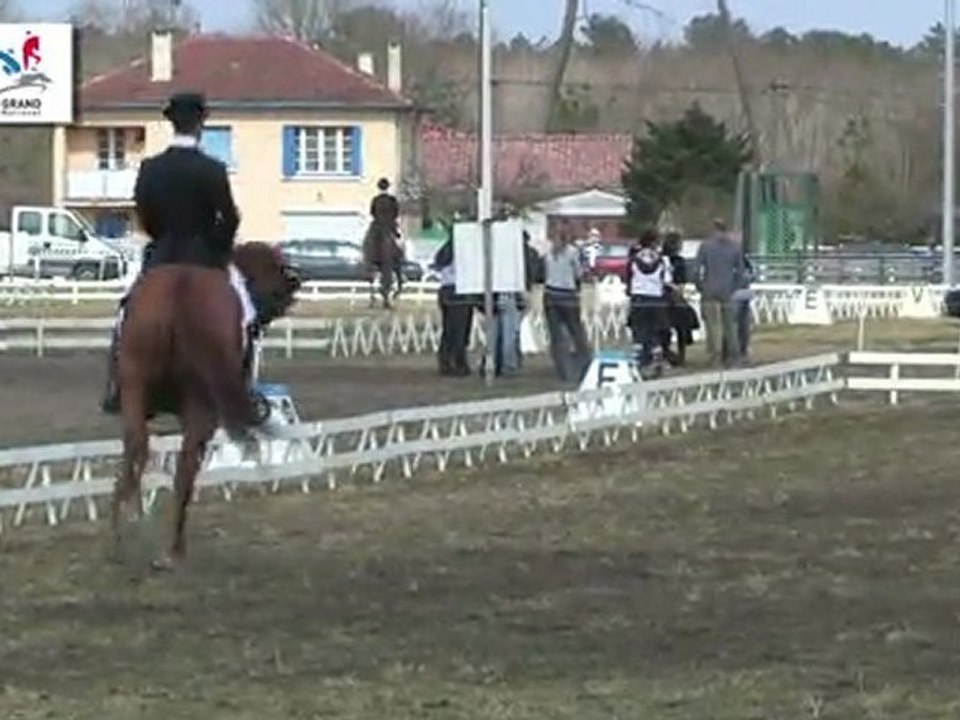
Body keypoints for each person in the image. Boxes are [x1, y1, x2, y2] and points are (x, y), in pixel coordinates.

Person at [100, 91, 241, 413]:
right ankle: (239, 381)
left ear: (171, 124)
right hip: (205, 258)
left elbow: (144, 213)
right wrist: (216, 249)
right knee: (244, 313)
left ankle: (116, 387)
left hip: (161, 256)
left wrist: (160, 239)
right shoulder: (213, 169)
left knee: (125, 313)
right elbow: (230, 217)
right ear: (201, 125)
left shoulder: (151, 168)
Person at [694, 219, 746, 368]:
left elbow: (697, 270)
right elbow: (741, 273)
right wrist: (734, 287)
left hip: (709, 288)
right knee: (730, 325)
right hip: (727, 289)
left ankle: (714, 356)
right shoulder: (734, 248)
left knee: (712, 325)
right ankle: (733, 356)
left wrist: (700, 286)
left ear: (713, 229)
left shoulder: (705, 246)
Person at [542, 231, 592, 383]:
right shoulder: (572, 252)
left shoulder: (548, 254)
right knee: (576, 331)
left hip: (550, 294)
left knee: (557, 336)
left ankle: (563, 370)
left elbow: (544, 273)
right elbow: (578, 273)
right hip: (568, 295)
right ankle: (585, 363)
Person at [624, 229, 672, 378]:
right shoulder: (662, 259)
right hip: (656, 299)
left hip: (638, 298)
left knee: (639, 331)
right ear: (654, 242)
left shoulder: (633, 259)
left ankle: (638, 363)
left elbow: (628, 278)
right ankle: (656, 360)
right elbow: (667, 281)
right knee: (655, 332)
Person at [433, 226, 473, 376]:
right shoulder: (462, 250)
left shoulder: (445, 250)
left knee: (450, 329)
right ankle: (457, 361)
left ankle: (448, 360)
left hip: (447, 290)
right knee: (459, 329)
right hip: (458, 290)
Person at [660, 231, 697, 366]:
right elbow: (681, 284)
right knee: (684, 322)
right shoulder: (680, 262)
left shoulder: (658, 258)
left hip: (659, 297)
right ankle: (681, 354)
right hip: (673, 297)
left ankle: (665, 351)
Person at [368, 178, 401, 307]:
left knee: (368, 241)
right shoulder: (392, 200)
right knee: (398, 244)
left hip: (377, 227)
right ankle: (398, 262)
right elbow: (396, 214)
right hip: (388, 227)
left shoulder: (375, 200)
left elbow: (372, 213)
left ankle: (368, 262)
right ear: (388, 187)